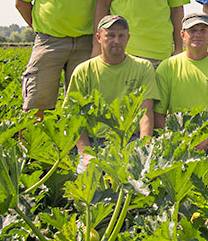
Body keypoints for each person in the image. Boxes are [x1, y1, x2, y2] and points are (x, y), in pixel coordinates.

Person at [66, 15, 158, 169]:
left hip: (131, 141)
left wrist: (144, 148)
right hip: (95, 144)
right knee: (85, 188)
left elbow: (146, 112)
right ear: (98, 38)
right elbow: (74, 118)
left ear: (128, 38)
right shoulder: (83, 71)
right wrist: (86, 153)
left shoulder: (143, 68)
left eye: (121, 35)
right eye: (110, 35)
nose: (116, 41)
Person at [154, 13, 208, 139]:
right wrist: (176, 138)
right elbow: (158, 114)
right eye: (192, 31)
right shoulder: (167, 66)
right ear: (182, 35)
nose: (198, 34)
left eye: (203, 30)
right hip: (178, 135)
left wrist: (207, 136)